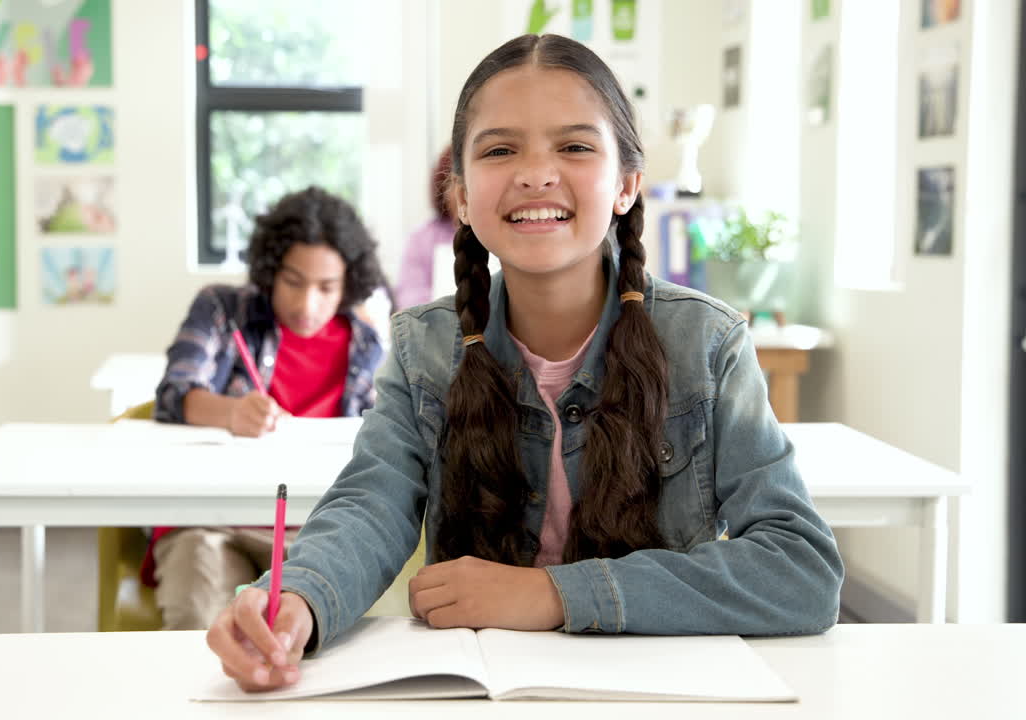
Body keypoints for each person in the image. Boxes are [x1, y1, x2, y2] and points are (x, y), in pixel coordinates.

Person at [207, 34, 844, 691]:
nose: (536, 173)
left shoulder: (706, 344)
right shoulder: (427, 349)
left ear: (627, 183)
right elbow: (371, 504)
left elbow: (799, 570)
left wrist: (553, 594)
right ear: (457, 193)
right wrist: (298, 600)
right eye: (500, 148)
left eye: (573, 146)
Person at [146, 186, 389, 630]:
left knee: (320, 630)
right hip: (211, 517)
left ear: (349, 285)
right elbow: (172, 394)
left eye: (326, 288)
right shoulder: (224, 308)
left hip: (313, 525)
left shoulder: (366, 342)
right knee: (200, 620)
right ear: (271, 270)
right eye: (293, 282)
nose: (306, 304)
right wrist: (230, 413)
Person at [393, 147, 456, 309]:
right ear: (442, 189)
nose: (462, 193)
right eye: (454, 183)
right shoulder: (422, 239)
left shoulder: (501, 234)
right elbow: (409, 298)